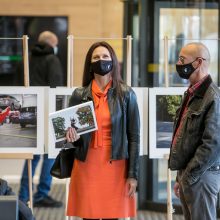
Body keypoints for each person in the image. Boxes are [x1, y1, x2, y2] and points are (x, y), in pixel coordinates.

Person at [65, 41, 140, 219]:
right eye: (96, 57)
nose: (101, 60)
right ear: (90, 64)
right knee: (88, 215)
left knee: (111, 215)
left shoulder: (127, 94)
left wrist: (133, 175)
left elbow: (134, 137)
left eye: (105, 56)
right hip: (86, 164)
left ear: (113, 60)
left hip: (116, 166)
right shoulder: (79, 95)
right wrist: (72, 137)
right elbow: (72, 139)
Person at [169, 42, 220, 220]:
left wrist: (188, 176)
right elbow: (185, 139)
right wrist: (179, 177)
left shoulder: (213, 97)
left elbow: (212, 144)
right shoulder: (191, 93)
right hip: (190, 176)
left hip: (202, 177)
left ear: (198, 62)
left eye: (182, 59)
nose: (178, 63)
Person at [19, 31, 64, 208]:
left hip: (31, 111)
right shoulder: (52, 60)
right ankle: (42, 194)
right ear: (52, 44)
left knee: (32, 156)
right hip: (48, 111)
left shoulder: (28, 58)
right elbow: (56, 88)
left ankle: (23, 195)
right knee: (49, 154)